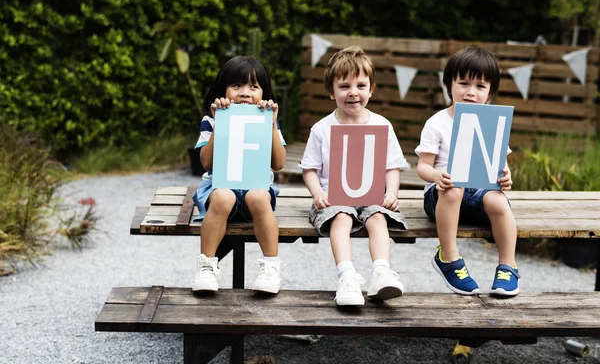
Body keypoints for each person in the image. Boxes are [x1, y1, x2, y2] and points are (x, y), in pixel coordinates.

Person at [298, 46, 410, 306]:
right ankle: (347, 277)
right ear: (331, 91)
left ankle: (381, 271)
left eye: (361, 85)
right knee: (341, 216)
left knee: (378, 216)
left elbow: (391, 166)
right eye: (344, 86)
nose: (353, 93)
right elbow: (309, 168)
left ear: (371, 90)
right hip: (333, 196)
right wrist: (317, 193)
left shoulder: (382, 124)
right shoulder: (322, 129)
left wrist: (391, 192)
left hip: (371, 194)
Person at [415, 47, 519, 297]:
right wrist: (436, 176)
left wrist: (505, 177)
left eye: (480, 86)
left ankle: (508, 265)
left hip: (478, 197)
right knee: (455, 187)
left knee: (497, 198)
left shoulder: (491, 123)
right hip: (441, 196)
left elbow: (500, 166)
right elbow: (422, 167)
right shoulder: (437, 123)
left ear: (490, 93)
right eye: (463, 83)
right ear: (449, 85)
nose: (471, 92)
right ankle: (449, 257)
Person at [191, 56, 286, 294]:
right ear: (222, 90)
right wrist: (221, 122)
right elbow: (206, 163)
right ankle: (207, 265)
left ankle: (270, 267)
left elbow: (279, 163)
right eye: (236, 86)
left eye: (253, 87)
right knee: (224, 197)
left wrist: (272, 125)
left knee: (258, 197)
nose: (245, 93)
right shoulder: (211, 120)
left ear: (264, 93)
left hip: (256, 188)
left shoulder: (267, 119)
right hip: (219, 188)